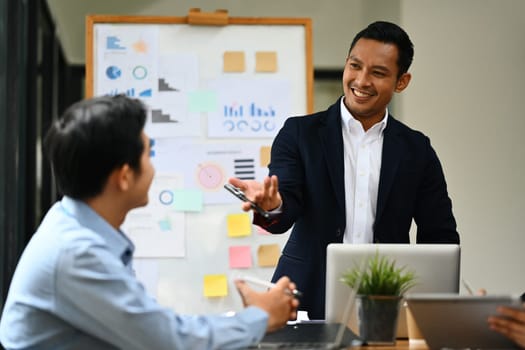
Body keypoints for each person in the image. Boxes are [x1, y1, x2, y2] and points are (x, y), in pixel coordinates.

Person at [0, 95, 299, 350]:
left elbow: (155, 327)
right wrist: (260, 317)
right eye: (147, 153)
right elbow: (167, 341)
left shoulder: (74, 228)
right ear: (124, 176)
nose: (153, 166)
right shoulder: (78, 253)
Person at [228, 21, 460, 319]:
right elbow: (286, 203)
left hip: (386, 302)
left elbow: (440, 237)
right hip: (306, 295)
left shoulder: (417, 149)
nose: (361, 81)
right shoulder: (300, 133)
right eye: (355, 66)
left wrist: (432, 310)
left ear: (401, 81)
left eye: (377, 73)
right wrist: (273, 206)